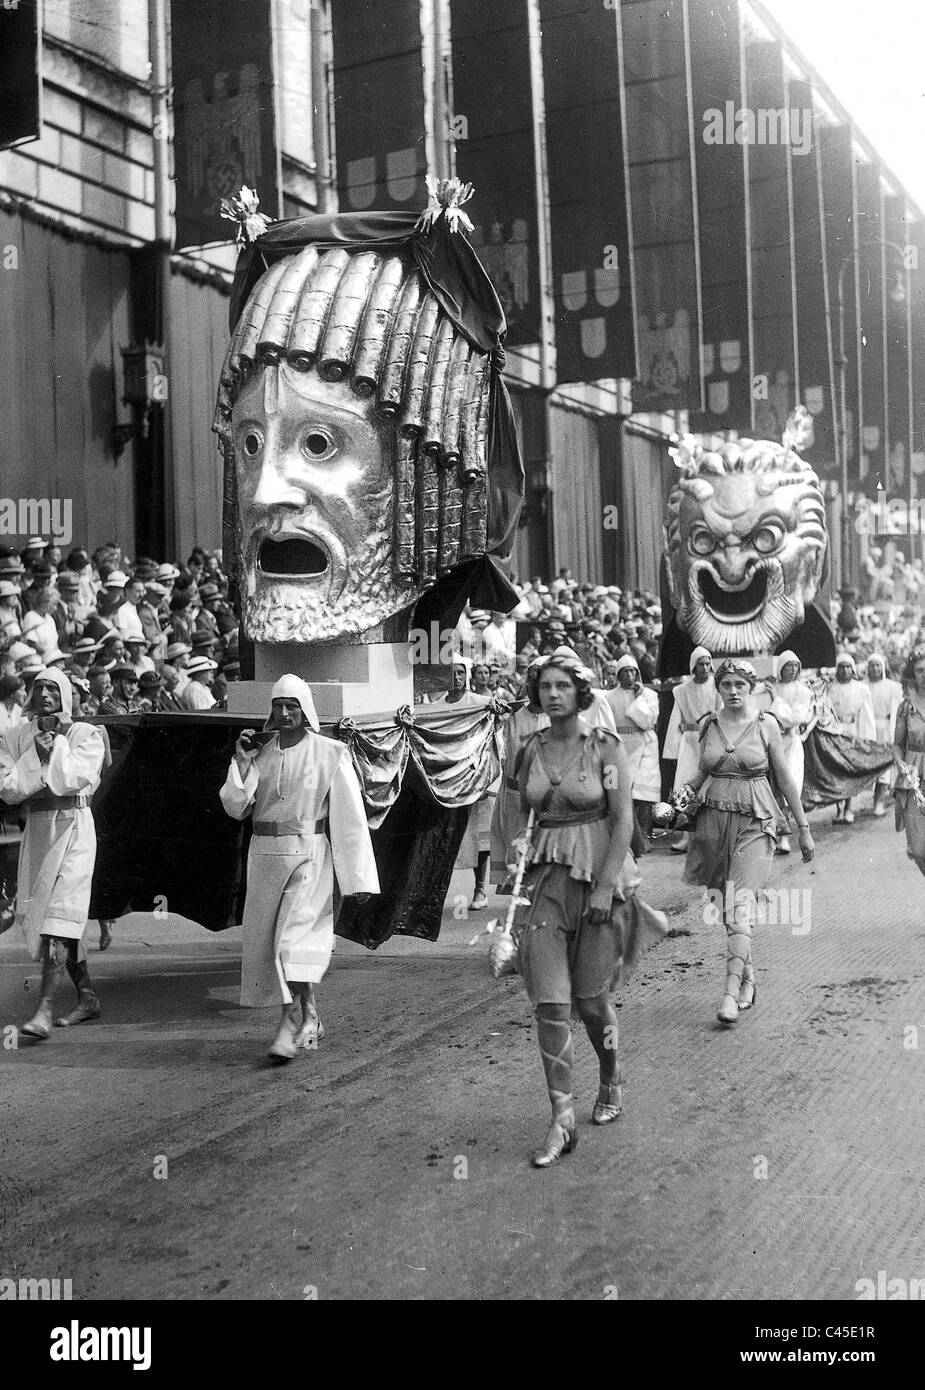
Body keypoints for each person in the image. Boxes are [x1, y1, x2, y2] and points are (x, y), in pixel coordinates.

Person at [509, 650, 667, 1168]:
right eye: (545, 686)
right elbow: (512, 813)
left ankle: (610, 1074)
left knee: (592, 1002)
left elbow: (622, 820)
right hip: (545, 882)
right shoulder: (527, 748)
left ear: (581, 692)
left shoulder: (606, 748)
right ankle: (562, 1119)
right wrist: (506, 869)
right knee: (551, 1004)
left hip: (600, 881)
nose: (552, 694)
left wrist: (604, 887)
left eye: (562, 686)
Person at [219, 675, 380, 1059]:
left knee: (292, 942)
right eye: (279, 706)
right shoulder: (259, 752)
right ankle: (309, 1013)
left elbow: (349, 819)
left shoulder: (330, 753)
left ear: (305, 709)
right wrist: (241, 764)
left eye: (292, 705)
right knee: (271, 944)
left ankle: (290, 1025)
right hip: (265, 857)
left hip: (310, 856)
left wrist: (356, 877)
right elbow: (235, 806)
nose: (285, 712)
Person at [682, 659, 815, 1027]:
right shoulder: (708, 724)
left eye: (741, 684)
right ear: (718, 688)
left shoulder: (767, 724)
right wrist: (677, 800)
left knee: (740, 905)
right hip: (713, 821)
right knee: (726, 909)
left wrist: (802, 828)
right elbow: (701, 772)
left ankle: (727, 993)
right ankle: (748, 980)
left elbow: (785, 778)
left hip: (756, 821)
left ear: (752, 686)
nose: (734, 691)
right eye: (727, 685)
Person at [0, 667, 106, 1037]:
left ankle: (42, 1010)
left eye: (52, 688)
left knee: (58, 921)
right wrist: (34, 756)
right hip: (39, 832)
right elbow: (9, 788)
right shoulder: (15, 737)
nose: (45, 693)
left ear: (65, 694)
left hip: (75, 828)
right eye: (39, 687)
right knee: (58, 918)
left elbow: (73, 778)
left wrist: (56, 743)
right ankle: (87, 997)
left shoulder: (85, 734)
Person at [434, 656, 496, 909]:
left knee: (480, 838)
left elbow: (491, 741)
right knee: (445, 838)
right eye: (452, 673)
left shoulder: (480, 703)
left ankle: (480, 890)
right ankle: (436, 895)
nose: (456, 677)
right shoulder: (436, 706)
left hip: (475, 777)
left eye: (460, 672)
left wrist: (484, 778)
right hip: (447, 779)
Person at [663, 646, 719, 852]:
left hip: (712, 741)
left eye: (707, 664)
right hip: (689, 743)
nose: (704, 668)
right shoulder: (682, 690)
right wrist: (673, 748)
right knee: (684, 787)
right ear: (693, 666)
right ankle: (686, 837)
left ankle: (712, 837)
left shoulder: (717, 686)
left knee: (711, 787)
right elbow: (675, 720)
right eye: (700, 664)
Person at [758, 651, 816, 852]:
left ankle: (785, 837)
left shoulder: (802, 691)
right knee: (769, 788)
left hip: (790, 744)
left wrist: (776, 699)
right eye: (787, 665)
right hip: (769, 743)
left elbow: (795, 717)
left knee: (788, 788)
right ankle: (771, 835)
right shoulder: (770, 685)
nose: (791, 669)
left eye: (795, 665)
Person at [604, 654, 661, 854]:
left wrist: (638, 699)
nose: (629, 675)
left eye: (632, 671)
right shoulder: (609, 697)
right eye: (625, 672)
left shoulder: (649, 695)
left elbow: (648, 722)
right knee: (623, 793)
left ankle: (644, 836)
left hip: (645, 745)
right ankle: (627, 837)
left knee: (643, 795)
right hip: (622, 745)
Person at [827, 652, 876, 823]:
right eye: (841, 667)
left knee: (849, 771)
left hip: (852, 731)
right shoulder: (829, 689)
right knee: (835, 771)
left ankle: (848, 807)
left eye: (848, 667)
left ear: (853, 669)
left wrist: (865, 739)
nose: (845, 670)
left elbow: (866, 716)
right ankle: (838, 808)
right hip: (834, 731)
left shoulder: (861, 690)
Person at [892, 648, 925, 878]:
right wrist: (900, 763)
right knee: (918, 848)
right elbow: (896, 744)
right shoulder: (906, 707)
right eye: (921, 671)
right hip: (913, 781)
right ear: (913, 675)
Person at [865, 653, 902, 816]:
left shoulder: (893, 687)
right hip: (866, 729)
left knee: (885, 766)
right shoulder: (862, 686)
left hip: (886, 728)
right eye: (872, 665)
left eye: (878, 665)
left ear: (883, 667)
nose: (875, 668)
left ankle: (878, 802)